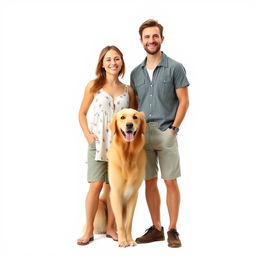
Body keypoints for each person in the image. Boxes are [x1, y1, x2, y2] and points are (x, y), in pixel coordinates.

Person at [130, 19, 190, 248]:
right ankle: (157, 228)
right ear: (141, 41)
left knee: (170, 181)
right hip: (143, 136)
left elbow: (184, 101)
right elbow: (135, 105)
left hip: (166, 132)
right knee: (149, 181)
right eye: (147, 37)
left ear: (162, 39)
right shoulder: (136, 73)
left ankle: (173, 229)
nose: (151, 40)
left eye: (155, 36)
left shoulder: (175, 67)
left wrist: (174, 129)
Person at [77, 45, 135, 245]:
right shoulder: (93, 86)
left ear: (122, 63)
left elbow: (133, 119)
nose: (113, 63)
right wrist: (88, 135)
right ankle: (89, 229)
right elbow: (81, 113)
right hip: (98, 143)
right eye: (109, 59)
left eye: (117, 59)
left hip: (120, 148)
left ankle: (111, 227)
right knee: (95, 186)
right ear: (102, 63)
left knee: (113, 188)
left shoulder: (128, 90)